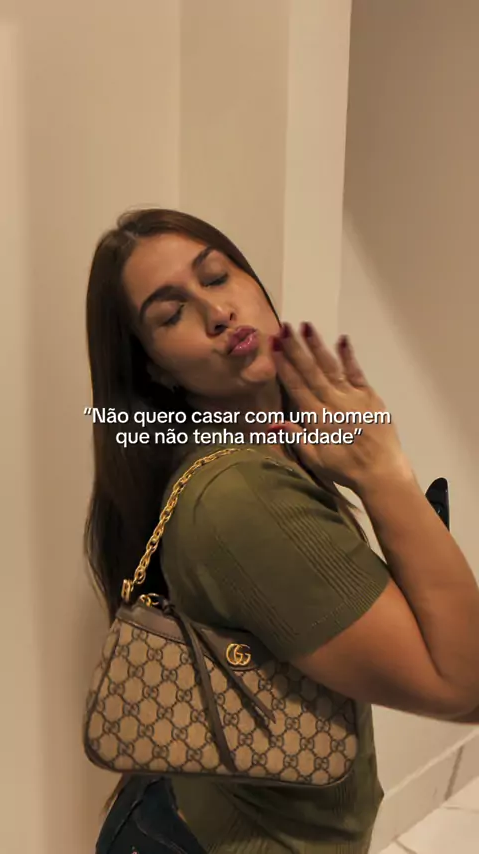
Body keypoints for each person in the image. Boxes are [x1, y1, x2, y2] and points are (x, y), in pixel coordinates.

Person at [85, 208, 479, 854]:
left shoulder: (266, 449)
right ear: (154, 367)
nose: (217, 312)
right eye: (171, 314)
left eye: (217, 276)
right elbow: (466, 684)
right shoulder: (241, 494)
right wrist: (386, 475)